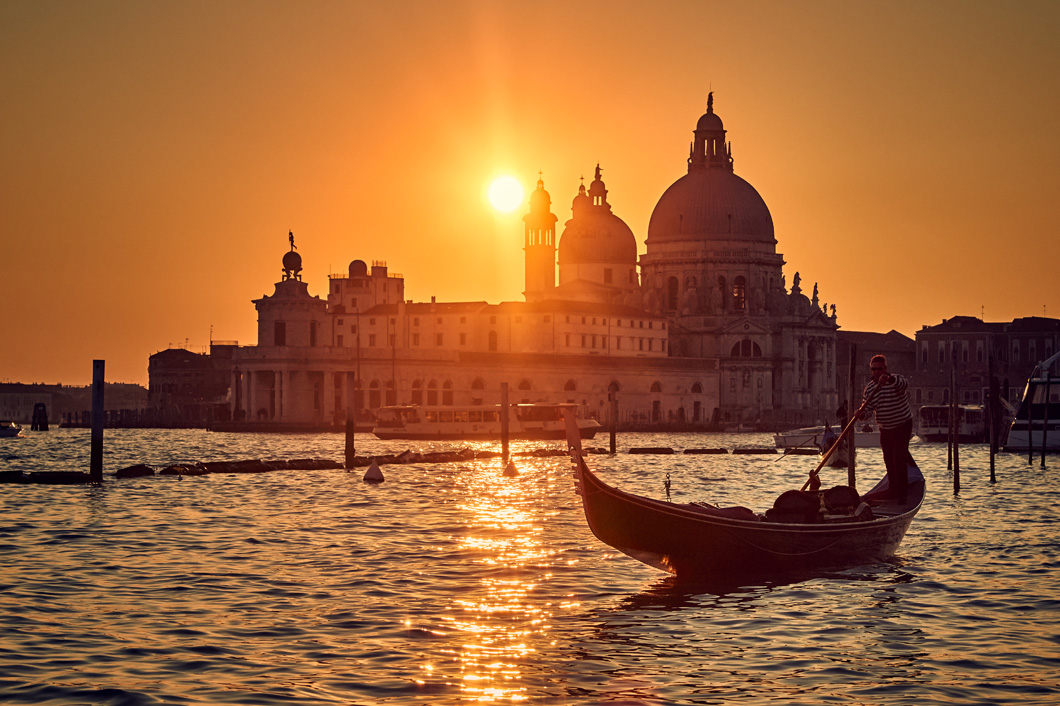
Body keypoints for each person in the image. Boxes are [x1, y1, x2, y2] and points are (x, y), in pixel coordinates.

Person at [858, 354, 912, 503]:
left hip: (902, 424)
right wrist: (861, 415)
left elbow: (905, 384)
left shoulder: (895, 380)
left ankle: (902, 494)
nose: (876, 372)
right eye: (873, 369)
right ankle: (893, 490)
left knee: (899, 458)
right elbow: (868, 409)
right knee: (888, 459)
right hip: (886, 427)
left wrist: (889, 379)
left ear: (885, 369)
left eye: (879, 369)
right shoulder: (869, 389)